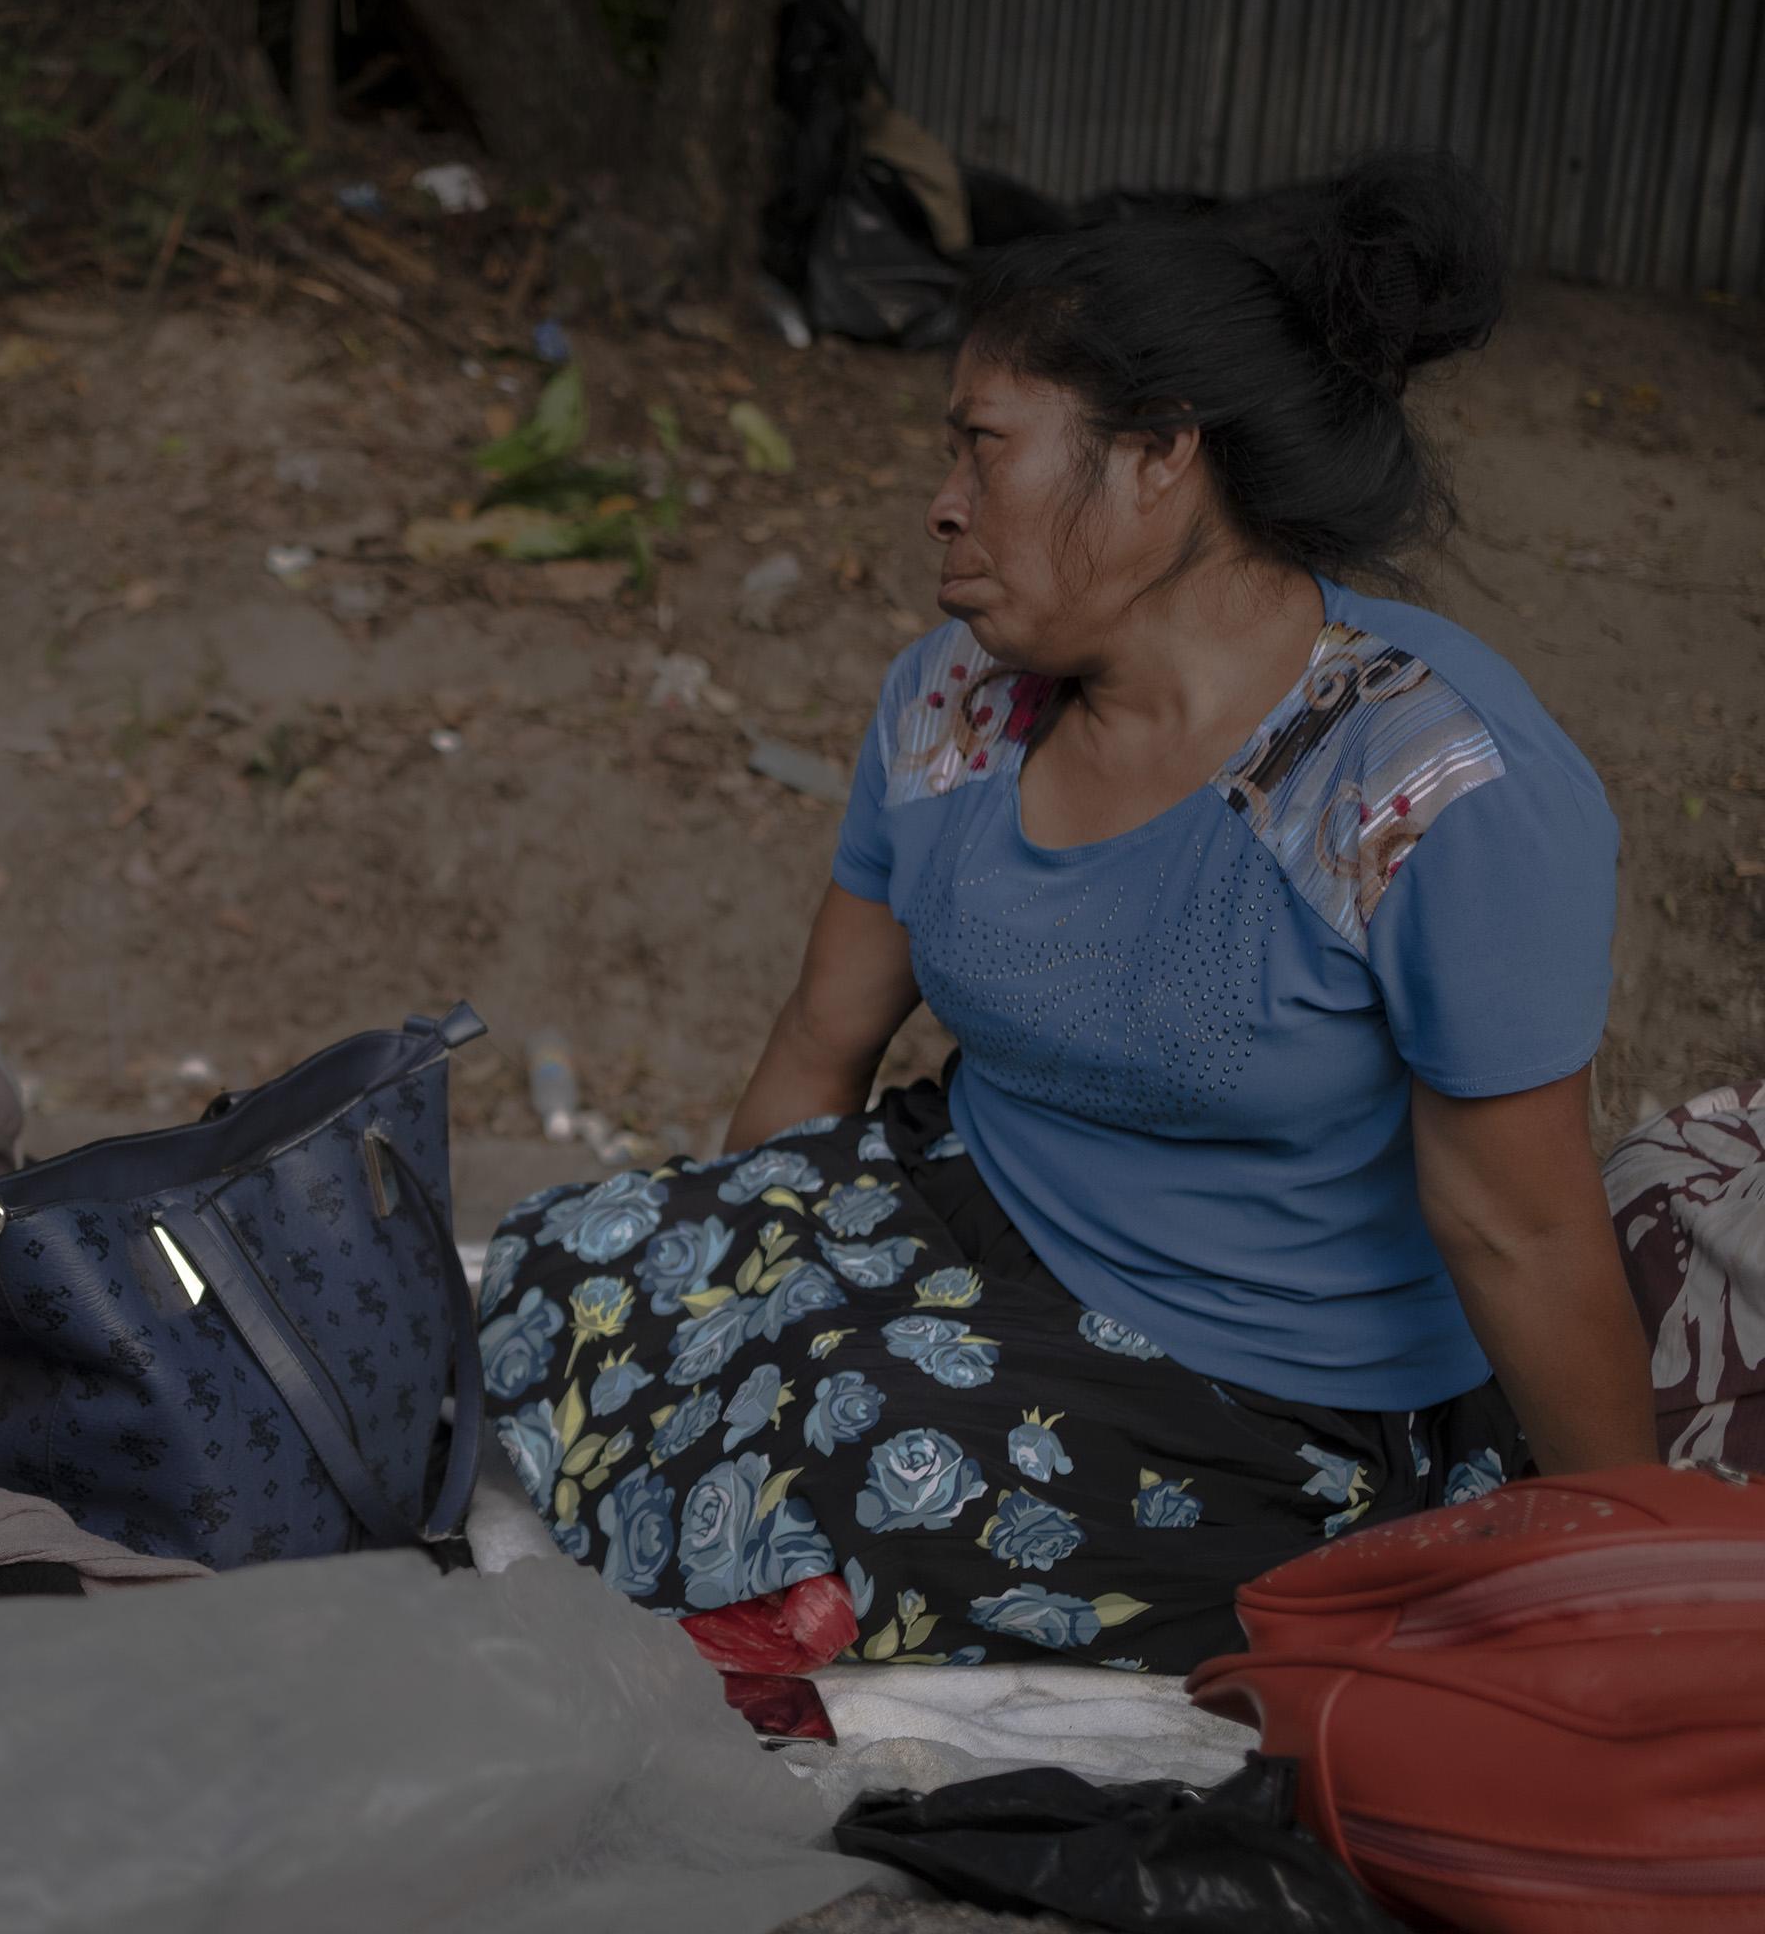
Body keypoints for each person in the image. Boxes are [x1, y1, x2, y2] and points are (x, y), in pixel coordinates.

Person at [479, 153, 1657, 1672]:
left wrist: (1637, 1557)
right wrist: (732, 1281)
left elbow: (1522, 1224)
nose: (942, 509)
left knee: (844, 1478)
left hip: (1263, 1388)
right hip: (980, 1202)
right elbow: (822, 1037)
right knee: (570, 1273)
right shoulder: (956, 700)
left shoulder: (1426, 785)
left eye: (985, 450)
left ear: (1164, 454)